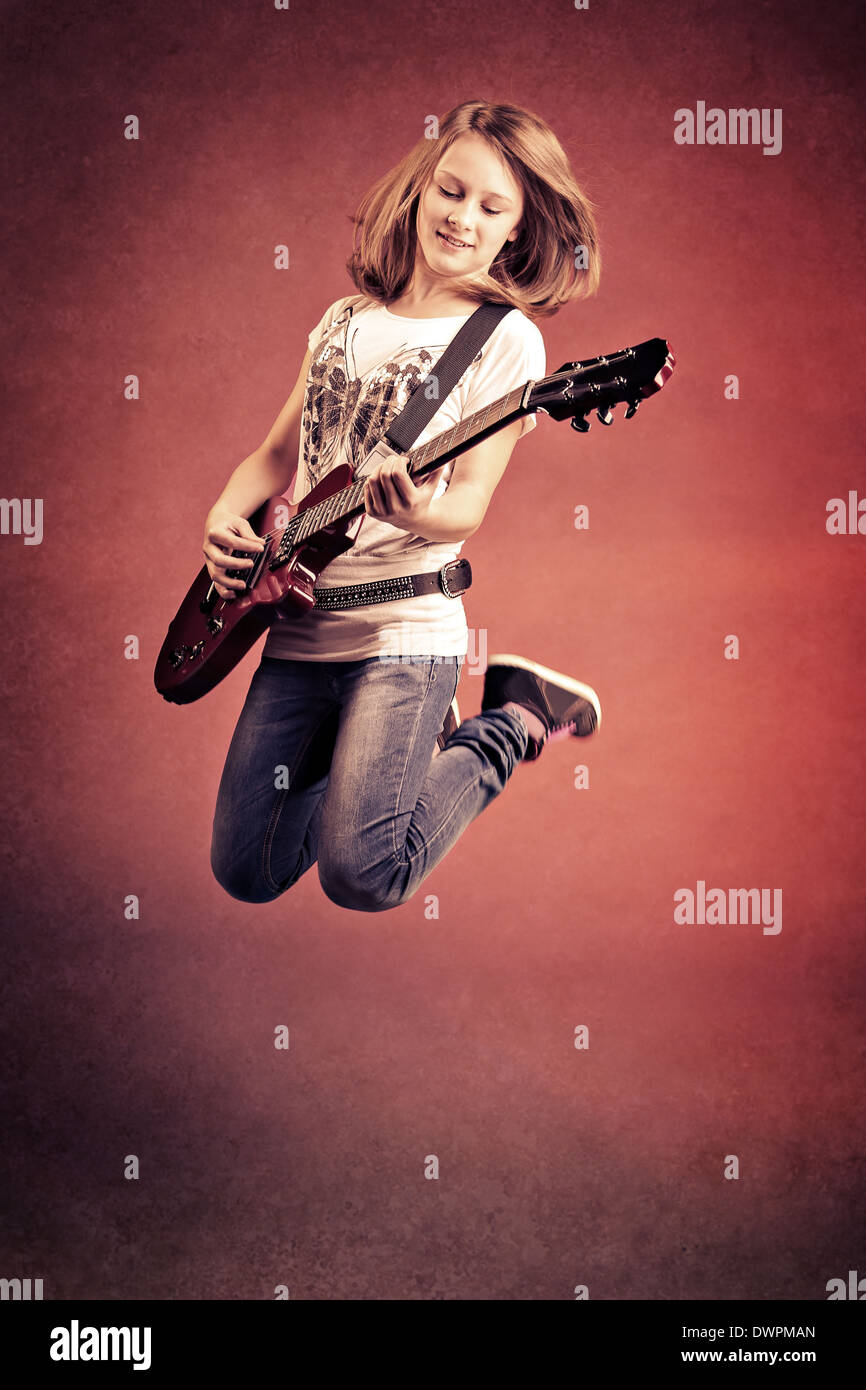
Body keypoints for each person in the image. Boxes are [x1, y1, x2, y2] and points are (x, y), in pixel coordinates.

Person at [207, 99, 603, 912]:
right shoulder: (343, 320)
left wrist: (413, 508)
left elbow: (467, 510)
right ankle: (385, 759)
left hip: (405, 627)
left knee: (366, 872)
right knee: (246, 868)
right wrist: (222, 517)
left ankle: (512, 719)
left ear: (517, 233)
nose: (463, 218)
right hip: (297, 620)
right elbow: (279, 456)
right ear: (421, 188)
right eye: (451, 192)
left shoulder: (506, 341)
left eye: (492, 208)